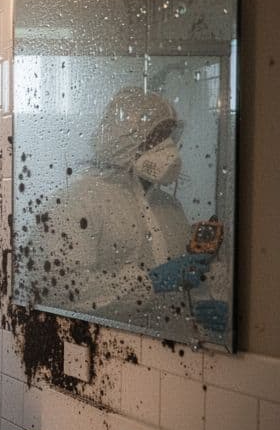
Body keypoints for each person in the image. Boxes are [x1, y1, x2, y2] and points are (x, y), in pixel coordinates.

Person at [46, 87, 228, 337]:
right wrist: (149, 282)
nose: (168, 149)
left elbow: (187, 280)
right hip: (106, 345)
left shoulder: (170, 206)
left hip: (173, 347)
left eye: (170, 137)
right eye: (156, 138)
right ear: (123, 140)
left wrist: (211, 302)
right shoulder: (79, 202)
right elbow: (62, 288)